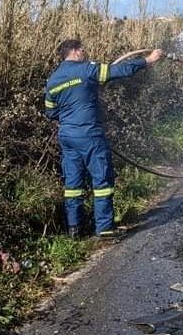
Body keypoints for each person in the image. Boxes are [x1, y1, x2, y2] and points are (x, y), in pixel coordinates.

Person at [44, 39, 164, 239]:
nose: (84, 52)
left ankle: (75, 229)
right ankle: (104, 228)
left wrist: (71, 117)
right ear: (74, 52)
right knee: (102, 180)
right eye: (82, 49)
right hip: (89, 134)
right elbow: (118, 71)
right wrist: (147, 61)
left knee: (72, 185)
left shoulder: (53, 80)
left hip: (67, 136)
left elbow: (50, 112)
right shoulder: (85, 69)